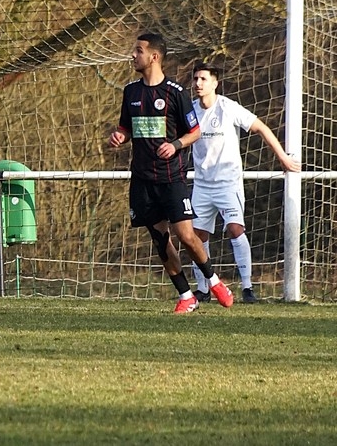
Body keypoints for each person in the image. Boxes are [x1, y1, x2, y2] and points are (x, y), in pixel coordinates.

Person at [107, 33, 234, 313]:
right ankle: (186, 295)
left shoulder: (175, 93)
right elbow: (126, 128)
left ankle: (213, 280)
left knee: (186, 235)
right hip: (142, 179)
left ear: (154, 56)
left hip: (171, 177)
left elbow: (194, 132)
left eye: (138, 51)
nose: (133, 55)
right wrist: (119, 136)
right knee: (160, 238)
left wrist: (175, 145)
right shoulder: (131, 92)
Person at [190, 62, 300, 304]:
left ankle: (248, 288)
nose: (198, 83)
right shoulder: (190, 111)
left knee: (235, 229)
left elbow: (261, 127)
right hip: (202, 184)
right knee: (196, 236)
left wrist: (282, 157)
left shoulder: (227, 107)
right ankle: (203, 289)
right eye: (195, 79)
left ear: (215, 83)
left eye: (203, 79)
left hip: (228, 183)